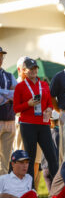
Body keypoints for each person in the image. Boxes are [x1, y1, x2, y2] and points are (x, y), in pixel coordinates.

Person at [13, 58, 58, 187]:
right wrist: (28, 104)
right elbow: (16, 109)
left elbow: (49, 102)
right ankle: (30, 189)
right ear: (24, 71)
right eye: (30, 69)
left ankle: (57, 189)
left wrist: (49, 109)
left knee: (52, 156)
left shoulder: (43, 84)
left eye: (35, 68)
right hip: (27, 125)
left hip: (43, 124)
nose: (33, 71)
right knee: (30, 159)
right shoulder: (20, 86)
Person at [0, 47, 17, 175]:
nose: (0, 58)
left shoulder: (9, 75)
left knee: (5, 161)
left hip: (10, 120)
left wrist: (3, 94)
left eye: (1, 56)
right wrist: (8, 95)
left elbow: (16, 94)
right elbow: (11, 94)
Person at [41, 110, 60, 191]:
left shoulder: (43, 133)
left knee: (51, 193)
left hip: (45, 167)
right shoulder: (58, 133)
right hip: (55, 168)